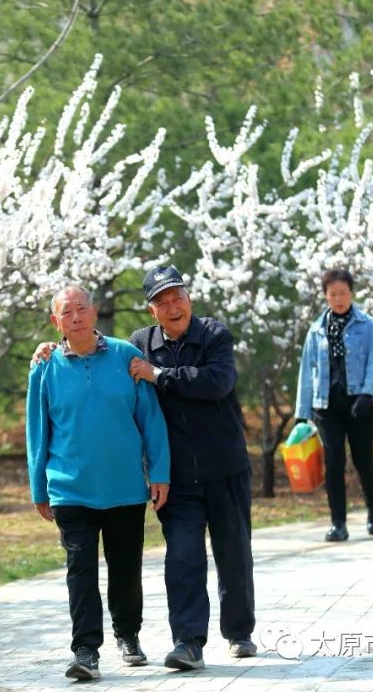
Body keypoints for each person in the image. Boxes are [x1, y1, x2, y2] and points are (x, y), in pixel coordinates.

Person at [31, 265, 257, 671]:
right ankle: (188, 642)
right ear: (151, 310)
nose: (172, 307)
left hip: (225, 466)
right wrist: (47, 349)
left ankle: (239, 632)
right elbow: (86, 372)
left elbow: (217, 382)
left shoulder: (212, 336)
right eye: (162, 302)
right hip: (178, 477)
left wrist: (159, 374)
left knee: (233, 553)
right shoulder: (139, 345)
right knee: (183, 556)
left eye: (177, 298)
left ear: (189, 299)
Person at [26, 285, 170, 681]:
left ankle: (128, 635)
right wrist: (39, 486)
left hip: (124, 486)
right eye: (66, 312)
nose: (76, 317)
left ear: (95, 311)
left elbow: (150, 419)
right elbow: (37, 430)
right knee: (81, 570)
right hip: (70, 488)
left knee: (126, 567)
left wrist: (158, 472)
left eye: (82, 308)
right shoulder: (45, 366)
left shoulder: (125, 355)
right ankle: (86, 649)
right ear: (56, 322)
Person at [294, 269, 373, 542]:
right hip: (326, 406)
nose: (338, 298)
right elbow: (306, 371)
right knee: (333, 462)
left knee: (363, 459)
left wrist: (368, 395)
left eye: (342, 293)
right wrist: (302, 414)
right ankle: (338, 523)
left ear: (351, 293)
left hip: (359, 403)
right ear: (325, 296)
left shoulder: (368, 325)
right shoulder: (316, 329)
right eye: (332, 294)